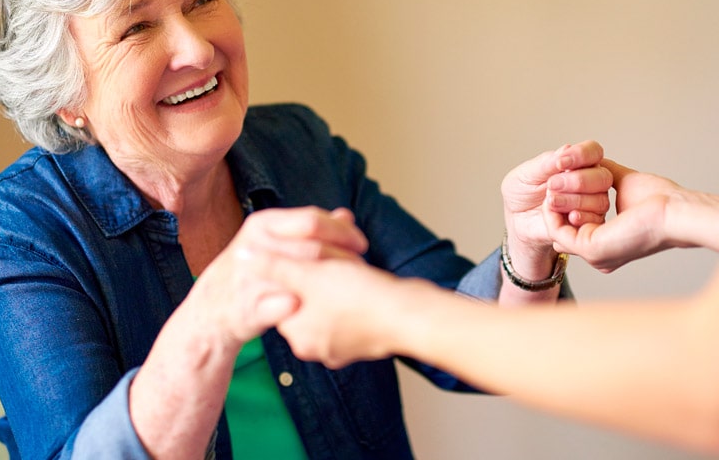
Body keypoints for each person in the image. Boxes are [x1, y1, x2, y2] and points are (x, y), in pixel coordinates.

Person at [0, 0, 611, 460]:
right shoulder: (17, 236)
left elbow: (462, 347)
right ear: (66, 99)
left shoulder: (299, 148)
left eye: (202, 0)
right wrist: (213, 314)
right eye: (135, 29)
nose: (195, 46)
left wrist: (529, 250)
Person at [268, 159, 719, 455]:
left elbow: (703, 377)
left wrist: (391, 312)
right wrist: (684, 211)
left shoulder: (304, 151)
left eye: (208, 3)